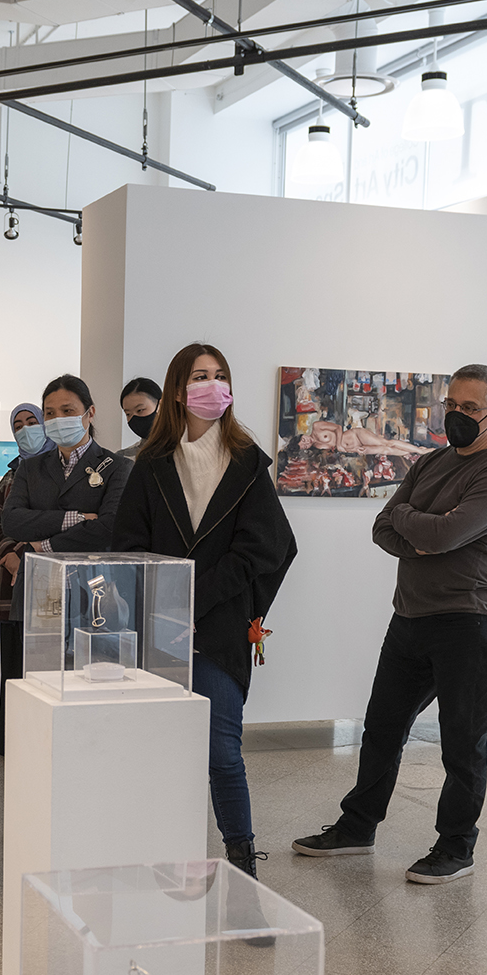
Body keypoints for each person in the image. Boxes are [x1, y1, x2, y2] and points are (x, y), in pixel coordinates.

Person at [290, 365, 487, 884]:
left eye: (470, 408)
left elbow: (443, 536)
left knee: (463, 744)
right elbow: (382, 523)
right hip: (410, 617)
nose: (457, 416)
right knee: (381, 729)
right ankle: (357, 828)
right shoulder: (432, 463)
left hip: (470, 622)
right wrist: (423, 530)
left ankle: (456, 847)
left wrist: (421, 529)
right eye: (452, 405)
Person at [113, 344, 297, 879]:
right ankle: (159, 859)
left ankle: (241, 859)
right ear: (177, 389)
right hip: (157, 631)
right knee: (160, 751)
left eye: (220, 376)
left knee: (222, 750)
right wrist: (162, 600)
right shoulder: (150, 464)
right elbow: (128, 546)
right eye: (199, 376)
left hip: (218, 630)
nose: (211, 386)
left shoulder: (246, 462)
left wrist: (197, 596)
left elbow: (267, 548)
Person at [0, 375, 134, 652]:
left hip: (94, 592)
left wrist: (41, 546)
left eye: (67, 410)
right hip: (36, 592)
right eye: (50, 413)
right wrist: (78, 518)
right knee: (30, 682)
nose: (58, 418)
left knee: (91, 677)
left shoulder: (117, 467)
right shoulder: (30, 468)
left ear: (90, 413)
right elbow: (12, 521)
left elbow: (109, 527)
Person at [0, 404, 53, 753]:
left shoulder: (55, 475)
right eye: (18, 425)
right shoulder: (9, 477)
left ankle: (40, 742)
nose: (26, 429)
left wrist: (30, 548)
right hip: (13, 585)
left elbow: (50, 522)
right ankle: (10, 742)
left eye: (32, 422)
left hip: (49, 580)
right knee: (13, 667)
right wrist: (10, 555)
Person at [117, 377, 162, 460]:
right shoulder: (124, 458)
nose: (134, 418)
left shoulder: (184, 448)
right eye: (128, 414)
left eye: (140, 410)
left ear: (161, 405)